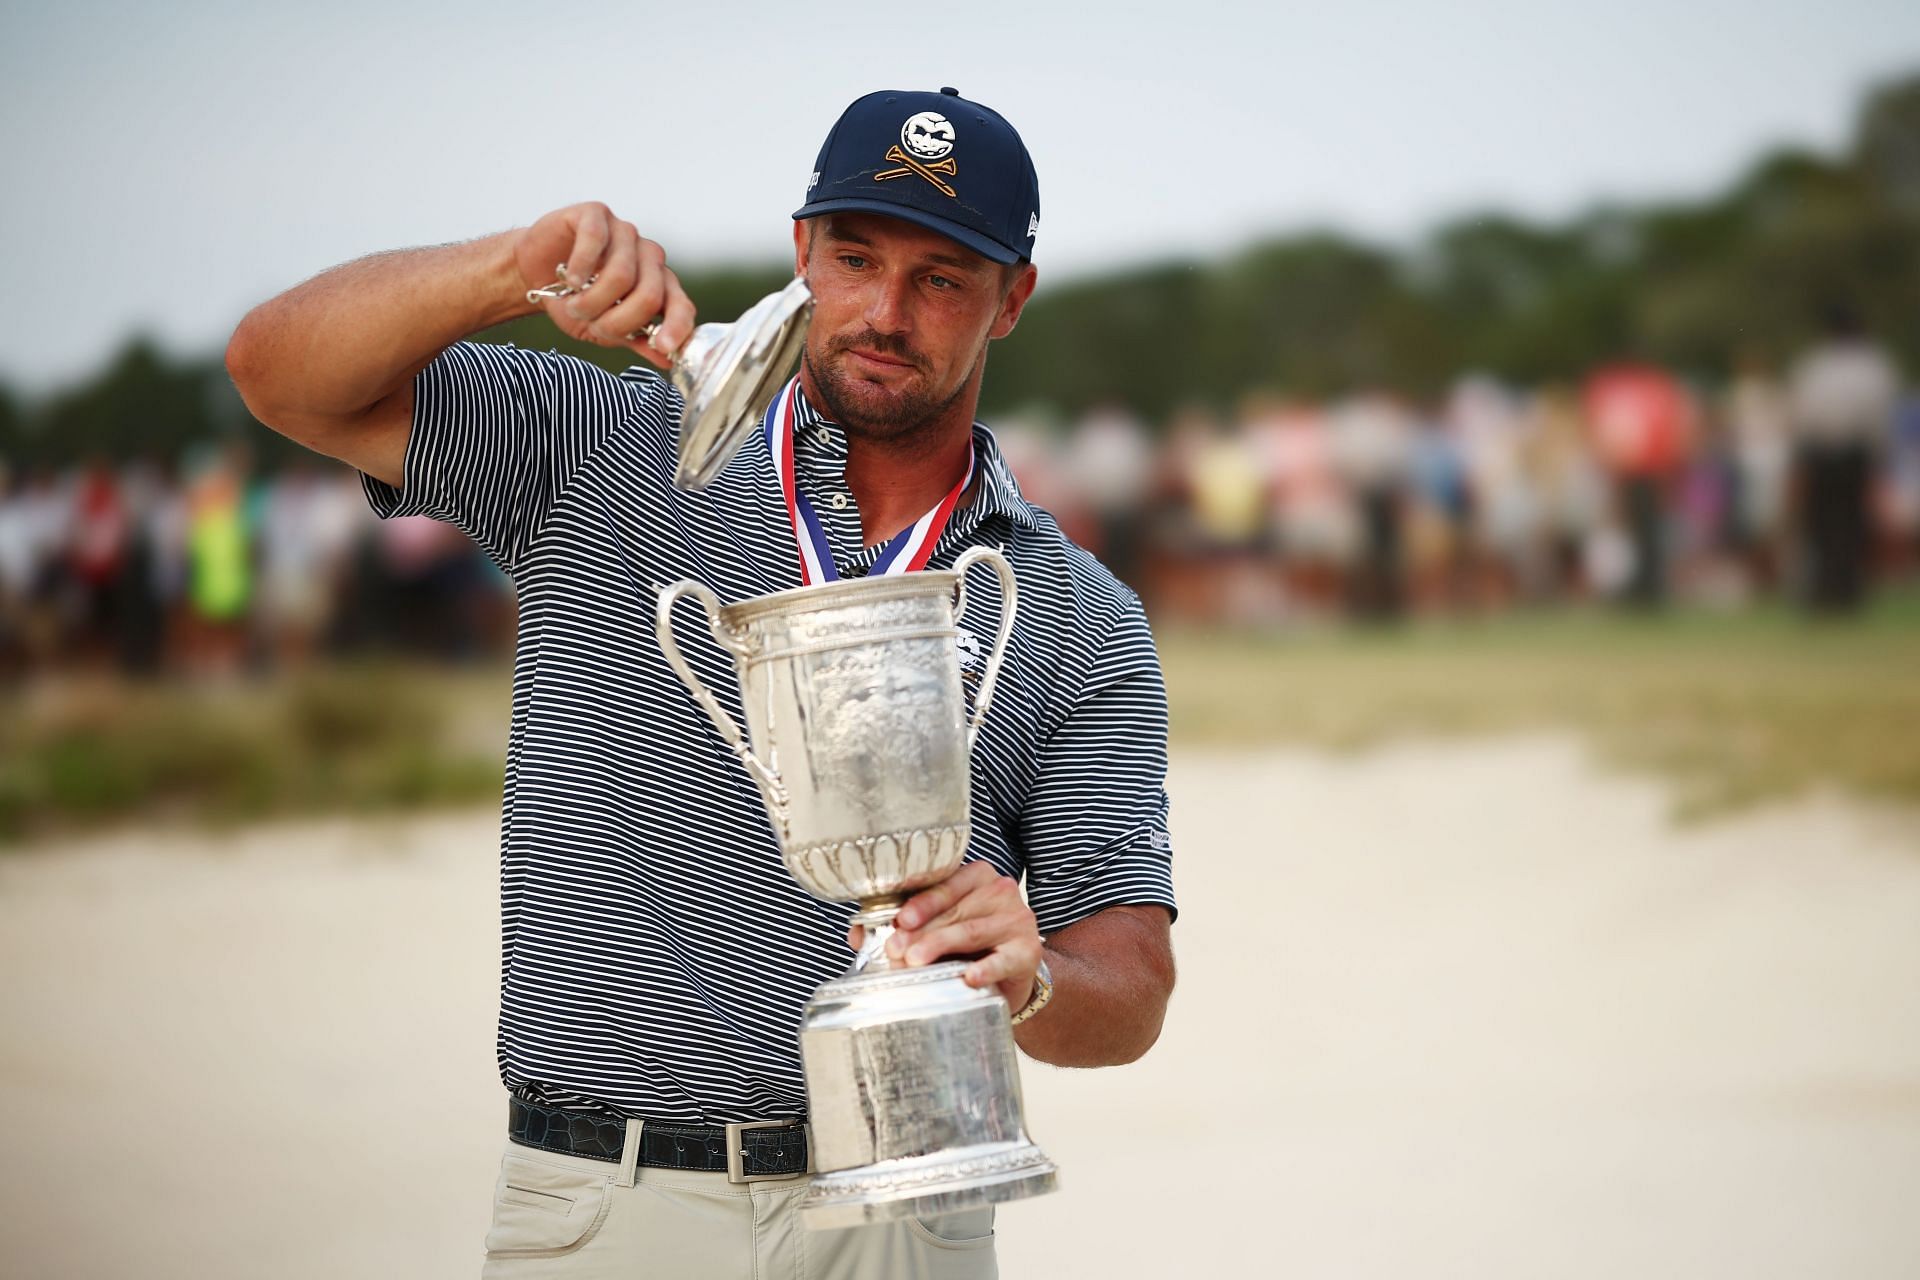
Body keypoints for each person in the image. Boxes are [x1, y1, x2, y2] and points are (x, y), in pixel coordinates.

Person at [226, 87, 1177, 1279]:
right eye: (856, 256)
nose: (885, 311)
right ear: (801, 252)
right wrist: (510, 271)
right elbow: (278, 372)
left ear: (1012, 299)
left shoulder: (1077, 608)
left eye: (941, 277)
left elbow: (1132, 985)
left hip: (908, 1217)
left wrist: (1035, 976)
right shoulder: (601, 446)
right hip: (611, 1202)